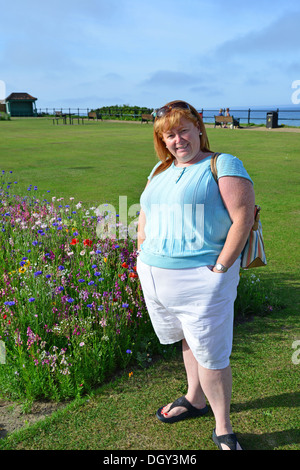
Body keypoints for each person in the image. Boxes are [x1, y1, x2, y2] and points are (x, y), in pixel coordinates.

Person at [136, 100, 255, 450]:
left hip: (202, 279)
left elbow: (242, 220)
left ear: (198, 128)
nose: (178, 140)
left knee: (213, 355)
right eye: (169, 135)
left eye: (183, 130)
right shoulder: (159, 170)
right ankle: (194, 398)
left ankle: (223, 427)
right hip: (157, 277)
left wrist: (220, 270)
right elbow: (146, 216)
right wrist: (142, 253)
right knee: (188, 338)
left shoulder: (222, 164)